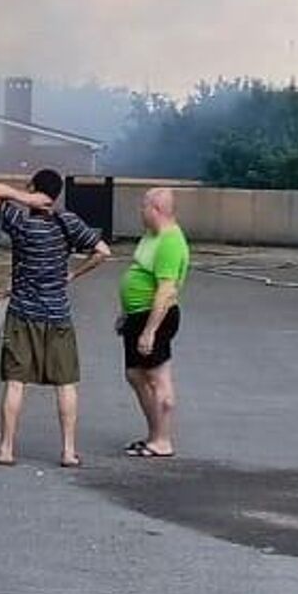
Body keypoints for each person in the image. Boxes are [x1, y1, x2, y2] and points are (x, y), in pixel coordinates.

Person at [0, 170, 110, 468]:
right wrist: (74, 274)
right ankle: (68, 452)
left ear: (35, 189)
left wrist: (24, 198)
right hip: (58, 315)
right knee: (65, 384)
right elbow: (103, 251)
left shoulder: (19, 221)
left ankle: (6, 449)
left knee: (15, 383)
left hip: (23, 315)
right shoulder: (69, 222)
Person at [120, 187, 189, 459]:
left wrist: (150, 330)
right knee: (136, 374)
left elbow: (165, 289)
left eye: (144, 206)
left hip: (156, 315)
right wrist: (127, 314)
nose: (140, 211)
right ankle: (153, 434)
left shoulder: (170, 242)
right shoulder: (152, 236)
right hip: (137, 314)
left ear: (156, 209)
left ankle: (162, 440)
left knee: (158, 377)